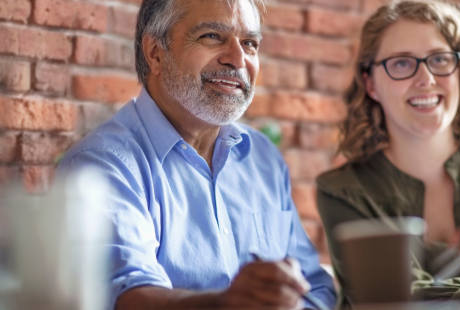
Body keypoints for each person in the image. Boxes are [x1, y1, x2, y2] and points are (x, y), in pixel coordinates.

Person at [56, 0, 336, 309]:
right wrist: (225, 304)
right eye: (212, 37)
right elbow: (126, 296)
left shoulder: (263, 159)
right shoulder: (103, 165)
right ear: (156, 53)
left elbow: (314, 287)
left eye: (250, 43)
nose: (238, 59)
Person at [315, 0, 460, 307]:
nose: (425, 78)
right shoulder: (342, 190)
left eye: (439, 59)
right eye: (401, 63)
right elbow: (388, 300)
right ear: (371, 83)